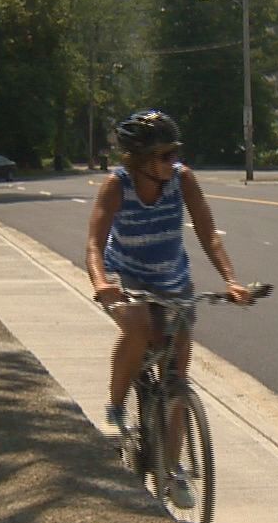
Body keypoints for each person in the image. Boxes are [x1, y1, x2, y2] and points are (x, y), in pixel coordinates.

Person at [85, 111, 251, 491]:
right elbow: (94, 243)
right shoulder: (117, 185)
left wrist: (231, 280)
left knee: (176, 376)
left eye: (174, 153)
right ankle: (114, 409)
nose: (171, 161)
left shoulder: (183, 180)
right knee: (140, 328)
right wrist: (100, 280)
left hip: (172, 279)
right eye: (163, 155)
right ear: (139, 158)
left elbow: (209, 234)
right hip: (126, 276)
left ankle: (172, 470)